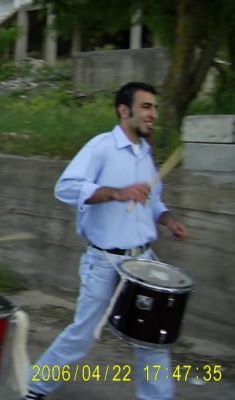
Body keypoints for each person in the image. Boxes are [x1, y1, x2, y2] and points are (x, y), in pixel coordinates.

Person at [23, 82, 188, 400]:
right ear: (124, 111)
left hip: (142, 262)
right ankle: (35, 386)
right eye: (146, 107)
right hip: (104, 260)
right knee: (82, 334)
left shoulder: (145, 153)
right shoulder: (101, 147)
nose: (153, 114)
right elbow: (66, 187)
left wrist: (169, 220)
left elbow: (152, 201)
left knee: (151, 338)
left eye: (155, 107)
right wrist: (116, 192)